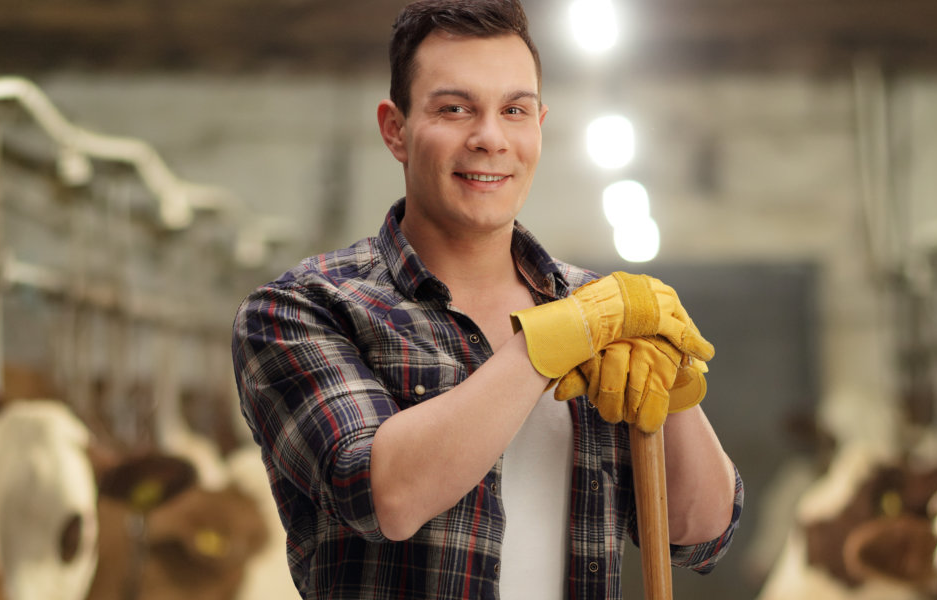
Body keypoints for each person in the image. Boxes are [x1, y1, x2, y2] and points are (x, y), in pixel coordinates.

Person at [229, 1, 742, 597]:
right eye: (455, 109)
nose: (490, 138)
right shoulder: (301, 311)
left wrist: (675, 389)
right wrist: (546, 344)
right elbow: (382, 496)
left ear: (539, 126)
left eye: (514, 110)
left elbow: (701, 532)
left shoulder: (603, 309)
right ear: (395, 128)